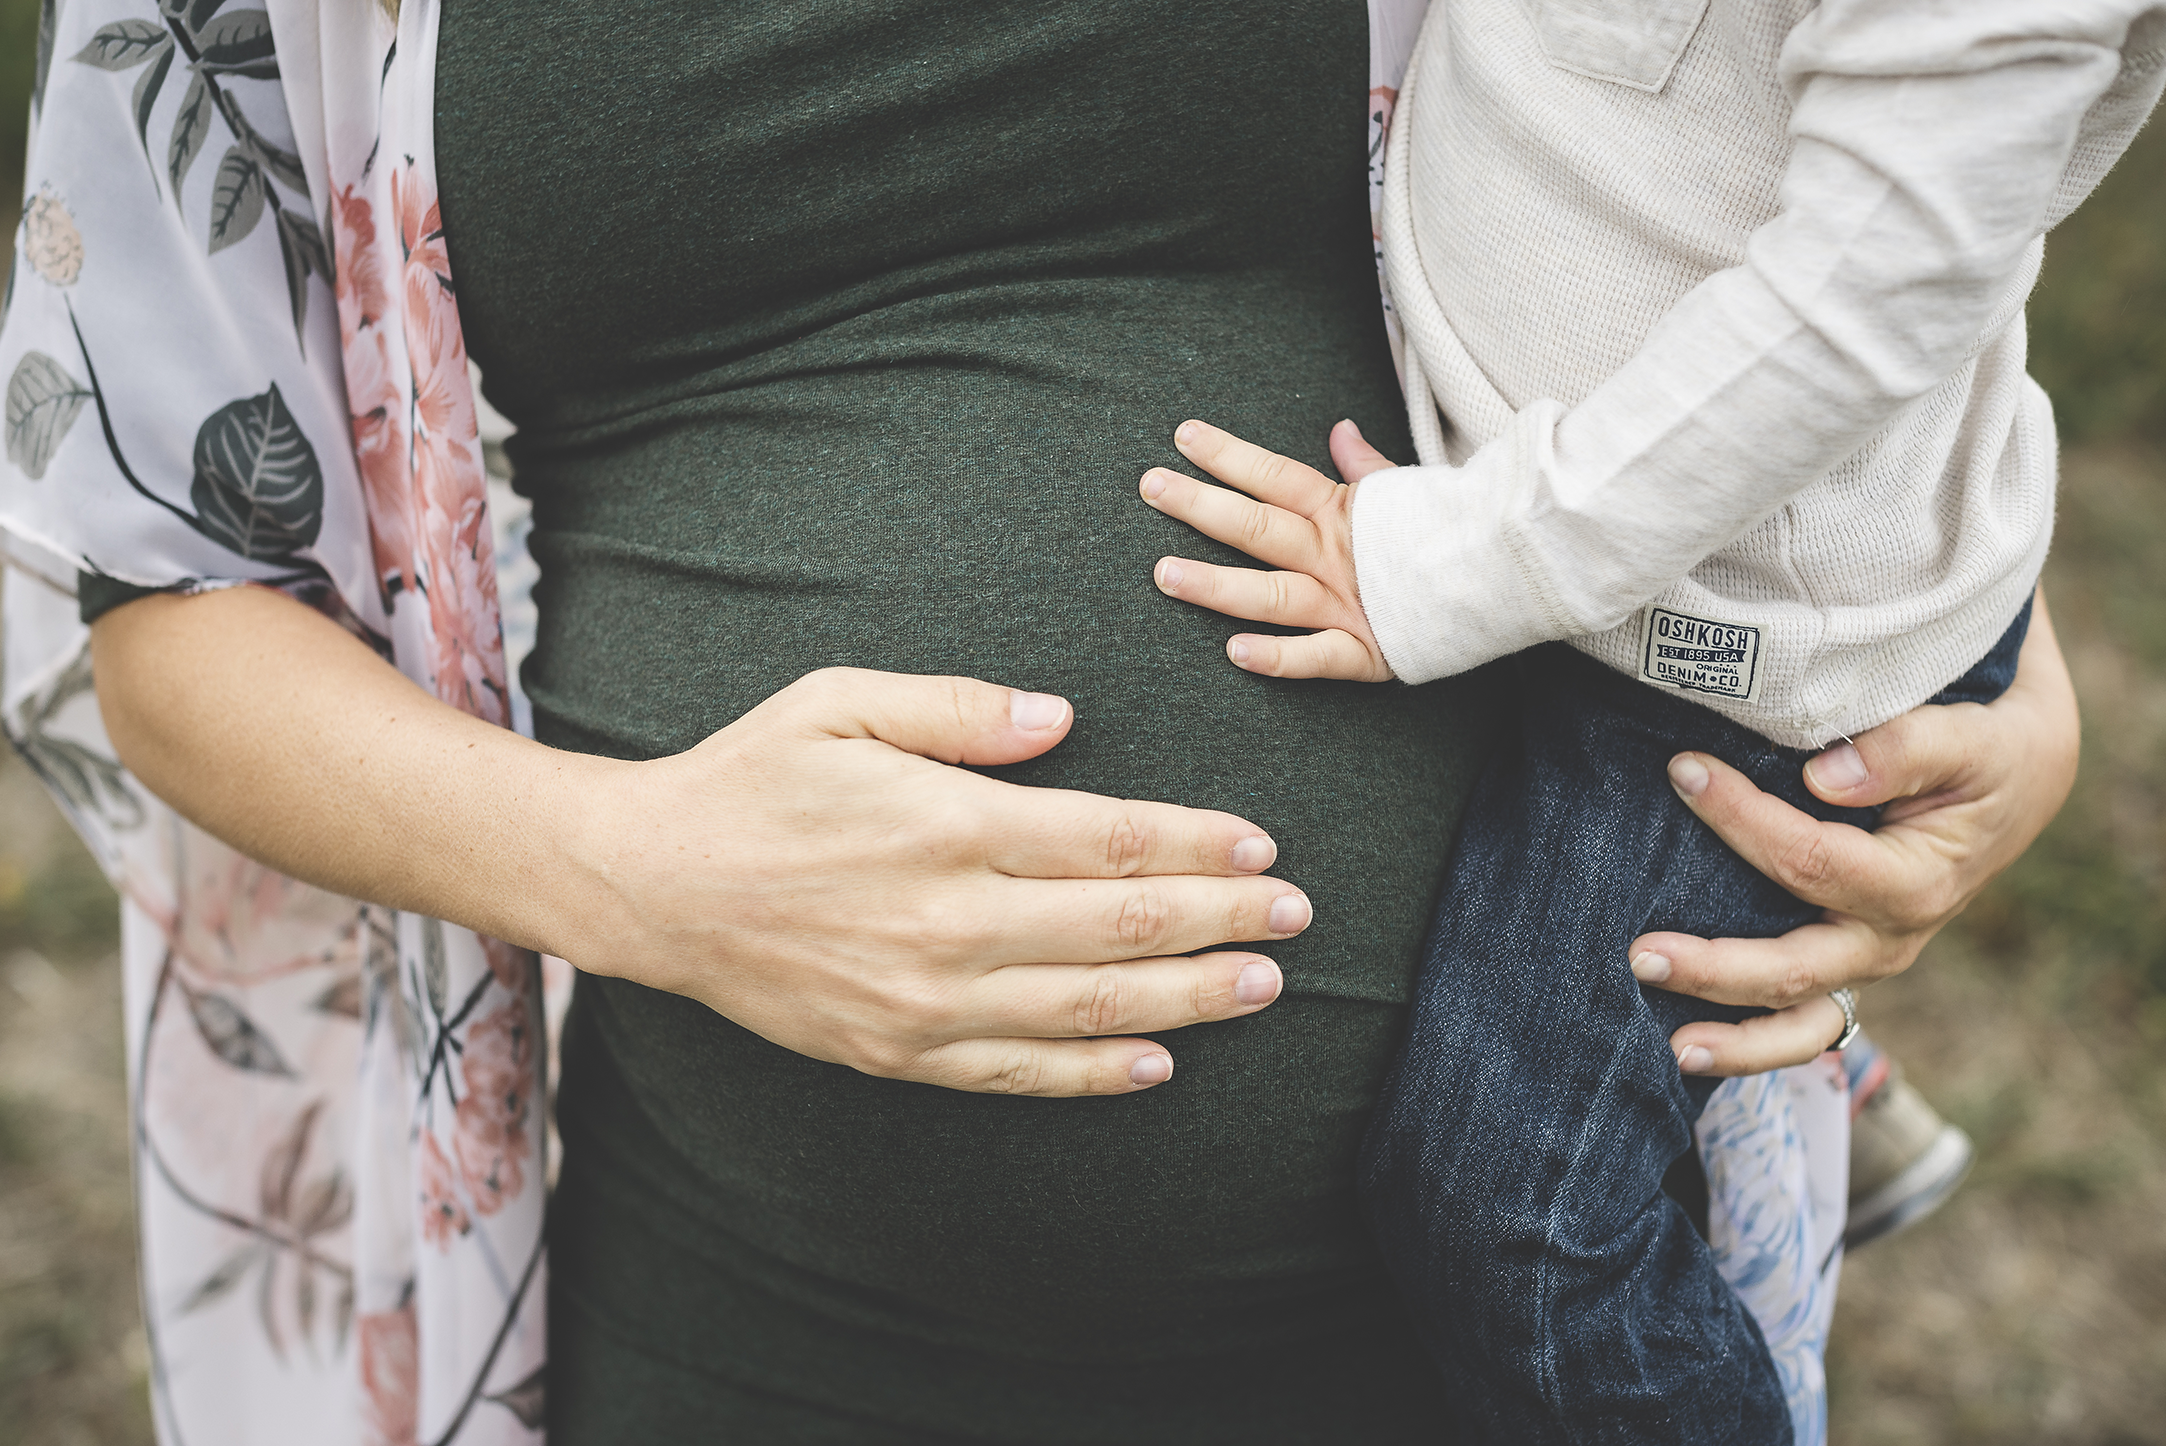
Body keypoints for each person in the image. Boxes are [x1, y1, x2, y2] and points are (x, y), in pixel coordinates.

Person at [0, 0, 2082, 1442]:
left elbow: (1864, 184)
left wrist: (2005, 680)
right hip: (771, 1346)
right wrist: (643, 875)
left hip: (1485, 1328)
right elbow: (172, 607)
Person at [1134, 0, 2156, 1439]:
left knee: (1525, 1219)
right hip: (1568, 521)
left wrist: (1461, 564)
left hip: (1718, 656)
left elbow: (1873, 289)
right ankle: (1814, 1093)